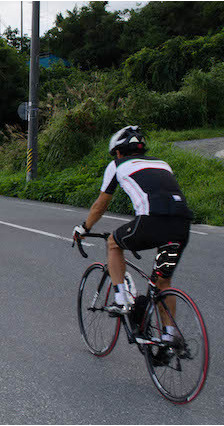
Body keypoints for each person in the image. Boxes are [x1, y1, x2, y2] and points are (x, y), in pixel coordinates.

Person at [73, 125, 193, 350]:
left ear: (118, 152)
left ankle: (121, 298)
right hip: (181, 225)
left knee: (114, 243)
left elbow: (100, 205)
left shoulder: (117, 165)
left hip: (151, 221)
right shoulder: (162, 164)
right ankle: (169, 335)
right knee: (162, 281)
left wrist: (83, 228)